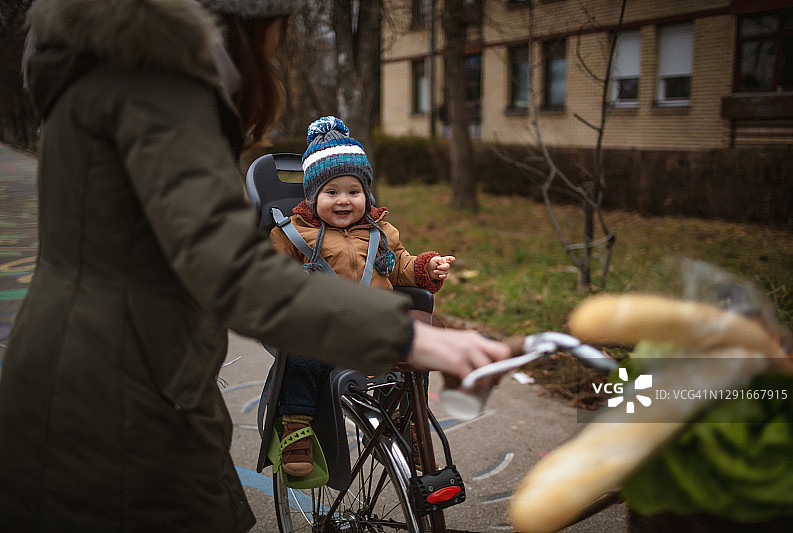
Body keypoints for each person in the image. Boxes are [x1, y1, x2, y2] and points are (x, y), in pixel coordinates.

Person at [0, 1, 509, 532]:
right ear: (252, 20)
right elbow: (235, 271)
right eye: (280, 28)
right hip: (117, 397)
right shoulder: (159, 89)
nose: (277, 45)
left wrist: (417, 275)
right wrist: (409, 338)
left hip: (118, 371)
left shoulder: (109, 74)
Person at [271, 116, 455, 476]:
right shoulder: (293, 235)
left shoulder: (379, 231)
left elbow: (398, 264)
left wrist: (425, 267)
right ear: (313, 196)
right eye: (332, 192)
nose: (344, 201)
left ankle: (408, 425)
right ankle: (296, 427)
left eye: (353, 192)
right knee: (298, 356)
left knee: (417, 350)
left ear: (366, 194)